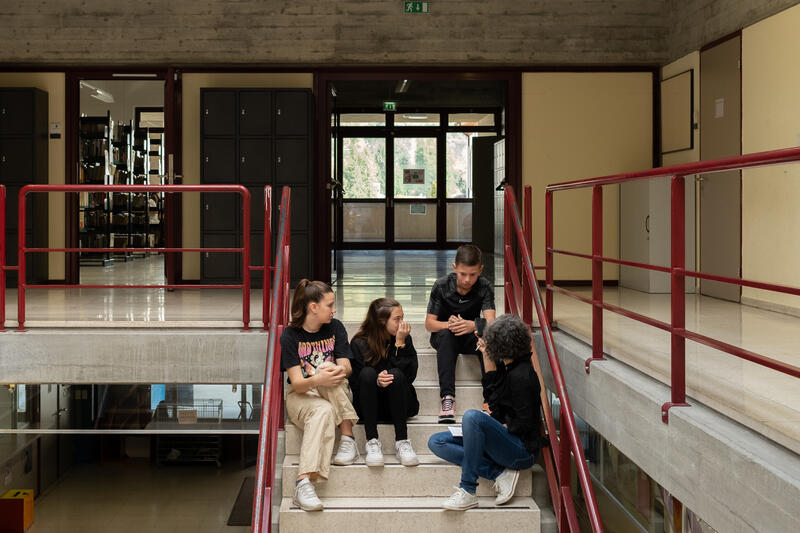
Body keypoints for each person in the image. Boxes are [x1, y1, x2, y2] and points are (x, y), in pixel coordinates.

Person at [427, 313, 543, 510]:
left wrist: (499, 429)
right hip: (507, 442)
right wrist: (485, 356)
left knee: (473, 417)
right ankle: (498, 473)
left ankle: (468, 490)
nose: (485, 342)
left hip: (522, 450)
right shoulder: (508, 369)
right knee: (437, 442)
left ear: (501, 347)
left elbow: (525, 423)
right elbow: (495, 404)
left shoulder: (521, 376)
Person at [280, 279, 359, 512]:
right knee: (323, 406)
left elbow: (347, 367)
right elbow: (297, 383)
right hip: (301, 396)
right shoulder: (290, 336)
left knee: (330, 375)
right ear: (313, 307)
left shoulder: (336, 328)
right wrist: (317, 379)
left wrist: (334, 371)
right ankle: (305, 484)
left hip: (334, 389)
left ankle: (304, 480)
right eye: (330, 305)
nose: (334, 310)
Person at [425, 243, 496, 423]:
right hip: (444, 333)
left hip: (471, 334)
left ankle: (491, 399)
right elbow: (429, 324)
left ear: (480, 270)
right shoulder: (441, 286)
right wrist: (450, 325)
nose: (467, 279)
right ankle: (447, 398)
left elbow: (491, 323)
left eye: (472, 275)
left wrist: (472, 325)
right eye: (463, 274)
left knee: (487, 338)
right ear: (454, 268)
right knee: (448, 337)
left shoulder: (485, 286)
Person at [350, 298, 421, 467]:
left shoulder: (403, 339)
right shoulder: (359, 342)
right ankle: (372, 441)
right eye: (397, 319)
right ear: (381, 321)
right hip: (368, 408)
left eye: (402, 317)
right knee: (367, 374)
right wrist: (376, 381)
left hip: (398, 405)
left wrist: (399, 344)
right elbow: (356, 383)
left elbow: (409, 376)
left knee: (396, 374)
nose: (402, 323)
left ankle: (402, 441)